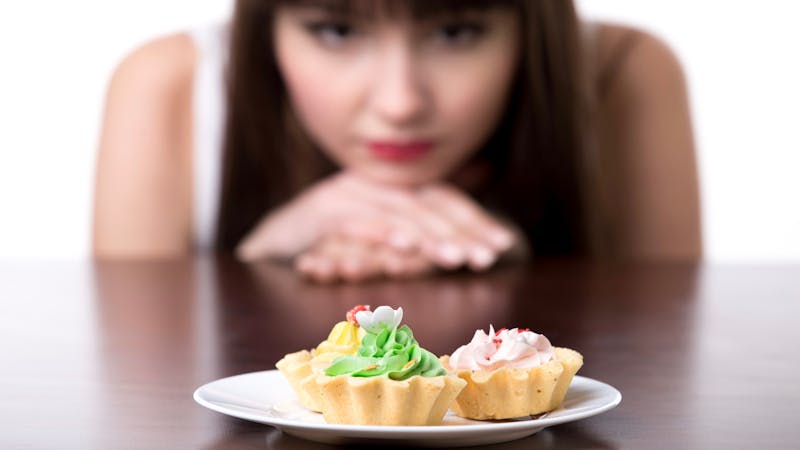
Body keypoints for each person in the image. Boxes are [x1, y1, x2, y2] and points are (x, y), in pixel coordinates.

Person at [93, 0, 701, 282]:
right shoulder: (171, 85)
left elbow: (671, 344)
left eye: (457, 31)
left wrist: (497, 259)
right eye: (335, 30)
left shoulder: (623, 74)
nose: (400, 102)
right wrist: (257, 258)